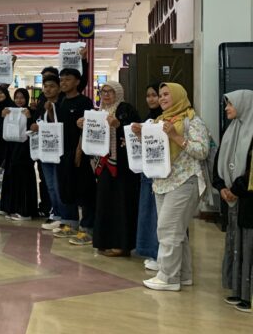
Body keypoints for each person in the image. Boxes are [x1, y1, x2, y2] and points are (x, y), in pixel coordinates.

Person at [131, 83, 210, 292]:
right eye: (161, 95)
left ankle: (168, 277)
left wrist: (175, 136)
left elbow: (202, 151)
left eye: (167, 94)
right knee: (177, 232)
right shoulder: (159, 121)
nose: (163, 98)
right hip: (162, 182)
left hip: (185, 181)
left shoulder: (192, 121)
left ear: (178, 96)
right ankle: (183, 275)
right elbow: (154, 151)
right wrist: (141, 136)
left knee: (167, 229)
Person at [83, 81, 140, 256]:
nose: (106, 95)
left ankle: (122, 245)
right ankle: (104, 241)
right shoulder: (98, 112)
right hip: (103, 164)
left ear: (118, 93)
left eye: (110, 91)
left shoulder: (126, 109)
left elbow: (136, 132)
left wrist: (118, 126)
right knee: (104, 202)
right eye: (103, 91)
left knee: (121, 203)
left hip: (123, 166)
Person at [214, 90, 253, 312]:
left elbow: (250, 169)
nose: (227, 109)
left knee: (248, 244)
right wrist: (221, 187)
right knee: (236, 243)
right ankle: (238, 290)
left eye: (230, 105)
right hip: (232, 199)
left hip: (248, 199)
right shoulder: (231, 129)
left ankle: (248, 296)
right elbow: (220, 160)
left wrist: (236, 189)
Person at [52, 68, 96, 246]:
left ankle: (87, 229)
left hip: (80, 153)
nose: (63, 83)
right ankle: (71, 223)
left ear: (77, 82)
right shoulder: (61, 101)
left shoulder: (84, 102)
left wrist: (79, 151)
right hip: (63, 152)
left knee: (84, 190)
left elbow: (86, 128)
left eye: (67, 79)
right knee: (67, 188)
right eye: (61, 80)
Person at [35, 75, 78, 232]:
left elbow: (62, 125)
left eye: (52, 86)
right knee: (51, 186)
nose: (48, 89)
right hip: (45, 150)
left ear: (59, 88)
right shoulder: (41, 105)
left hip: (61, 152)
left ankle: (69, 218)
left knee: (61, 185)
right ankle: (58, 215)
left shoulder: (62, 104)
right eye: (45, 86)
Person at [0, 88, 38, 221]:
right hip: (11, 150)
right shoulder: (9, 111)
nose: (19, 100)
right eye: (17, 97)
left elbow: (33, 130)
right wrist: (3, 117)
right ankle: (11, 207)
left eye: (22, 97)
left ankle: (25, 210)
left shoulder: (31, 112)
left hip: (25, 151)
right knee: (12, 177)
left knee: (23, 178)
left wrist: (29, 117)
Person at [136, 83, 162, 269]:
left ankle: (160, 254)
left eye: (155, 95)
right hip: (147, 171)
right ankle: (151, 251)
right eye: (149, 95)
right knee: (149, 211)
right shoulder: (148, 118)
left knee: (161, 215)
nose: (151, 99)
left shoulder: (168, 118)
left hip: (162, 173)